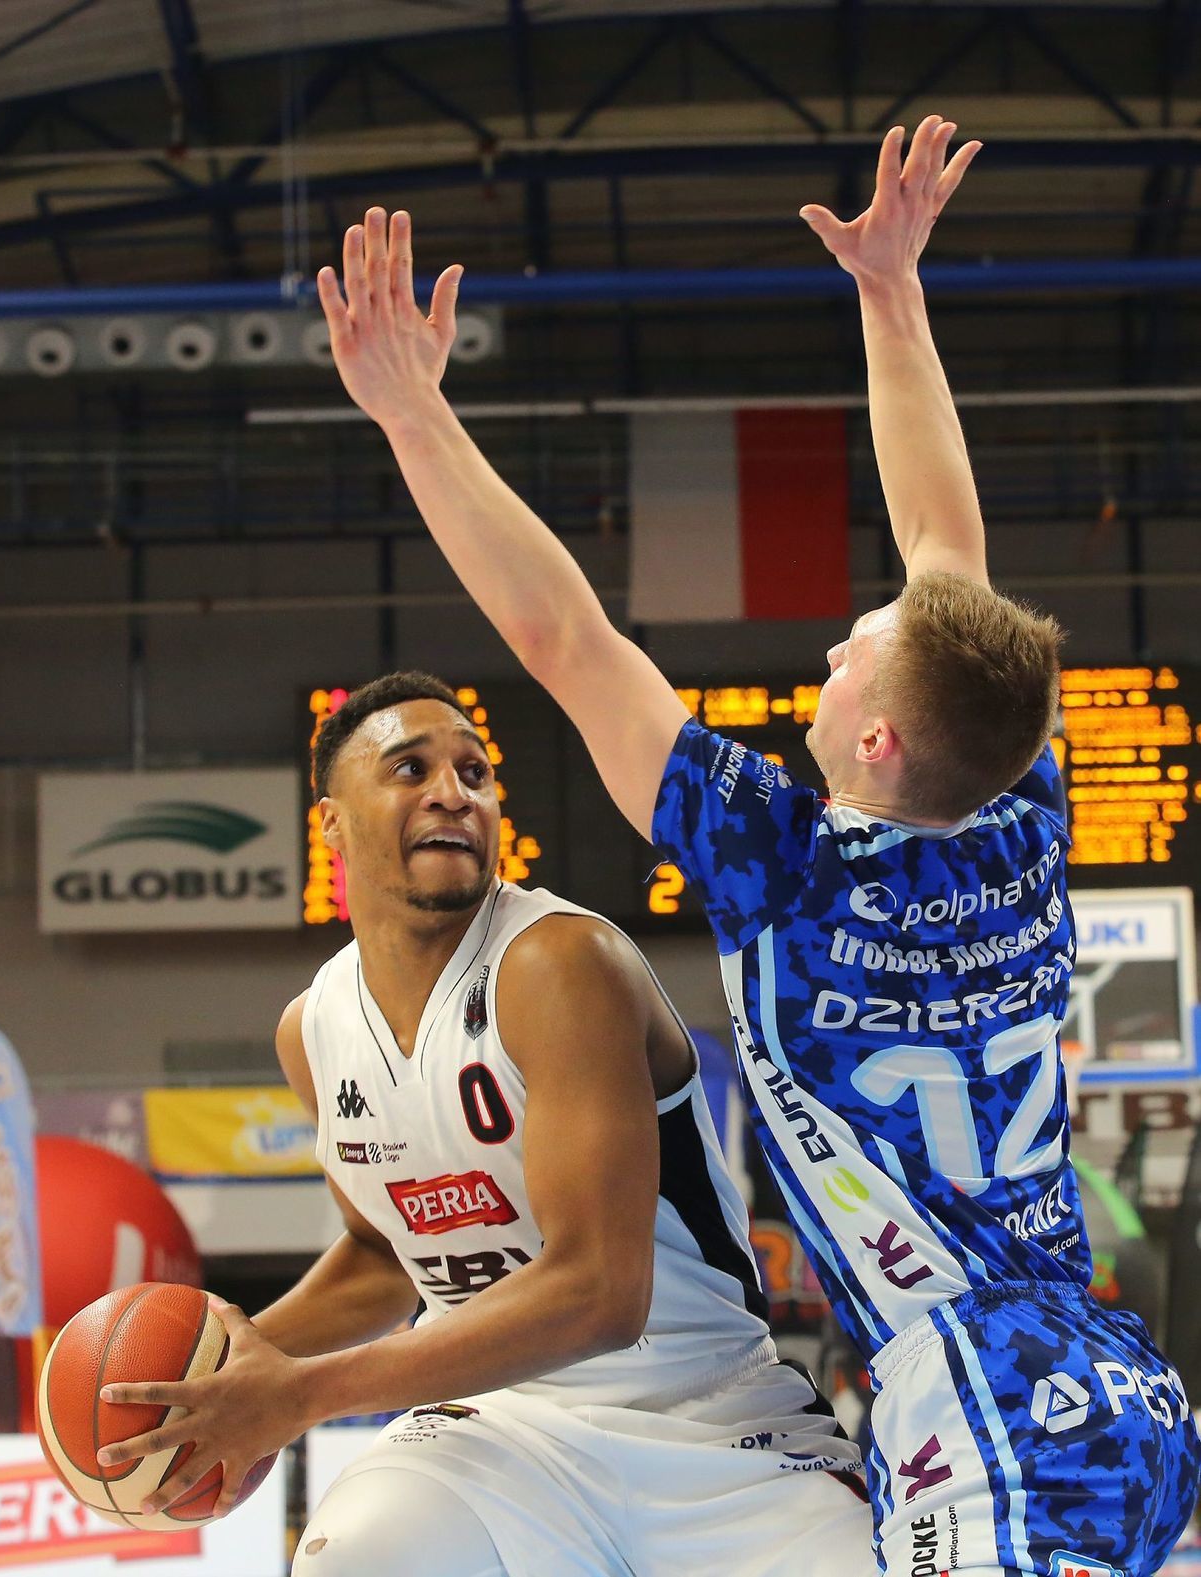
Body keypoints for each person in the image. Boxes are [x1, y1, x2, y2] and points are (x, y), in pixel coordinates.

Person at [313, 118, 1201, 1576]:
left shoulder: (788, 866)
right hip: (1093, 1375)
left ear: (879, 744)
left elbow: (563, 637)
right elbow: (947, 554)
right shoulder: (1016, 813)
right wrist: (892, 295)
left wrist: (413, 412)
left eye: (858, 651)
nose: (840, 641)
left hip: (983, 1395)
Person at [99, 670, 872, 1576]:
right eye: (409, 768)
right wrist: (230, 1372)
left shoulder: (560, 960)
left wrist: (295, 1393)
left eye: (475, 771)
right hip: (497, 1426)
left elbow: (598, 1293)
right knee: (358, 1555)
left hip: (708, 1417)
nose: (452, 791)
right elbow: (388, 1254)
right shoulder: (312, 1029)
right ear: (332, 824)